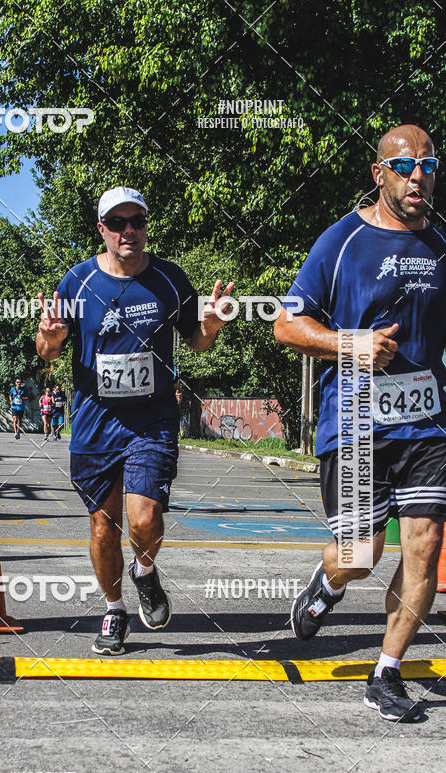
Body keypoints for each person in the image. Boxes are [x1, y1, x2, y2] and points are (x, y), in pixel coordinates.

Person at [275, 124, 446, 723]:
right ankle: (327, 586)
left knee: (424, 543)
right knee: (363, 552)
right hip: (353, 424)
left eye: (428, 164)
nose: (419, 176)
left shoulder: (441, 246)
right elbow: (286, 326)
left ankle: (387, 670)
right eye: (405, 166)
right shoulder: (341, 241)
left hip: (426, 425)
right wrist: (352, 343)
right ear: (380, 174)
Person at [36, 185, 234, 655]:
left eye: (137, 222)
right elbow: (46, 353)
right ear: (101, 229)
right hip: (95, 422)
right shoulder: (77, 282)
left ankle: (144, 569)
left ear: (145, 228)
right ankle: (113, 608)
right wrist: (52, 340)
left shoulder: (169, 280)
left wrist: (211, 326)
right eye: (118, 223)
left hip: (152, 420)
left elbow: (197, 342)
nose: (129, 231)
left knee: (144, 519)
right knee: (104, 527)